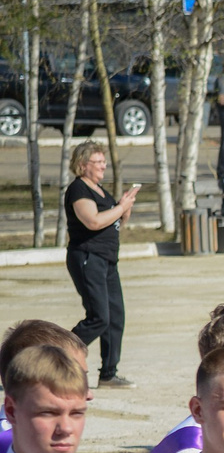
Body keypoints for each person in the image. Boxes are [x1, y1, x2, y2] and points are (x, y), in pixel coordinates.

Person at [61, 143, 136, 389]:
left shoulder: (100, 190)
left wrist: (124, 208)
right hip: (87, 257)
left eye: (104, 161)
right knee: (99, 317)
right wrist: (120, 208)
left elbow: (114, 222)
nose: (104, 166)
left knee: (115, 316)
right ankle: (55, 355)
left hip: (107, 259)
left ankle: (108, 373)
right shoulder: (78, 189)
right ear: (83, 165)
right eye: (98, 162)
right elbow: (92, 221)